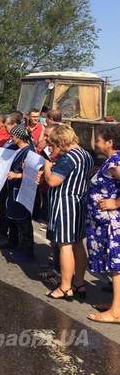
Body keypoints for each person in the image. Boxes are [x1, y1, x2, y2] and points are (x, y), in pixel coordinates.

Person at [41, 125, 94, 300]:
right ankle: (79, 282)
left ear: (61, 141)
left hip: (65, 204)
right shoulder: (85, 154)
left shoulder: (68, 158)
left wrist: (47, 166)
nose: (54, 147)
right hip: (79, 201)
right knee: (78, 243)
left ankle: (65, 286)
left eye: (55, 144)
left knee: (65, 245)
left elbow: (53, 181)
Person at [84, 124, 120, 323]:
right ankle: (117, 303)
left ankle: (116, 313)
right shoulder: (112, 161)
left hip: (113, 224)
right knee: (113, 266)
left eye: (98, 140)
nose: (95, 143)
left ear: (109, 143)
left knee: (117, 267)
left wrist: (115, 203)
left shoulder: (117, 162)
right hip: (103, 223)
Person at [4, 125, 37, 262]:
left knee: (23, 221)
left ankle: (27, 251)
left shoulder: (29, 151)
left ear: (19, 137)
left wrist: (17, 175)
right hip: (14, 189)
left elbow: (34, 172)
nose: (11, 138)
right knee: (14, 218)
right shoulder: (19, 149)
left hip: (23, 190)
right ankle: (15, 244)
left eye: (13, 136)